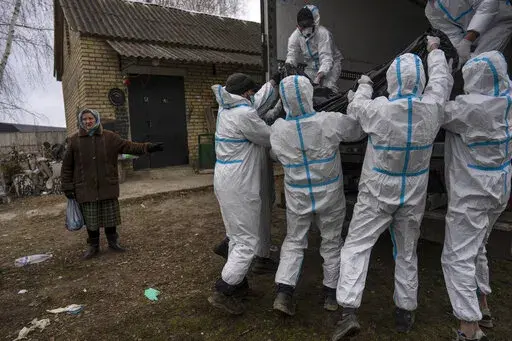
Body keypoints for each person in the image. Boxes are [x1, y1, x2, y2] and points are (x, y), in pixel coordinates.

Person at [332, 37, 454, 340]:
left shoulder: (379, 110)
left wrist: (363, 84)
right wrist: (435, 52)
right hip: (412, 192)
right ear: (421, 79)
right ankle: (405, 312)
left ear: (391, 79)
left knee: (357, 246)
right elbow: (441, 81)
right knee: (407, 251)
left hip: (377, 192)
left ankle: (348, 311)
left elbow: (355, 107)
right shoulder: (433, 108)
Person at [269, 75, 364, 316]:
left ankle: (284, 293)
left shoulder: (278, 130)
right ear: (309, 95)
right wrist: (354, 101)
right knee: (332, 241)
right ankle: (331, 295)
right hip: (329, 195)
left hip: (298, 197)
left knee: (294, 240)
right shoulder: (328, 122)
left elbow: (274, 155)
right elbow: (358, 131)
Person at [441, 51, 512, 341]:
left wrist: (441, 68)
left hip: (472, 192)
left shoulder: (469, 108)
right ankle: (484, 305)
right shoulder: (508, 99)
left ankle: (469, 328)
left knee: (457, 257)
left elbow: (434, 110)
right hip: (499, 188)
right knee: (478, 246)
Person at [208, 73, 273, 315]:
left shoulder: (226, 109)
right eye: (252, 92)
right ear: (246, 93)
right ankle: (223, 290)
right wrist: (280, 123)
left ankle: (238, 284)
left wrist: (271, 85)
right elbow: (267, 137)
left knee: (237, 234)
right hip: (240, 182)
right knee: (247, 242)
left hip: (225, 179)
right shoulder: (244, 114)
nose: (253, 96)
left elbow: (254, 107)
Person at [61, 109, 163, 259]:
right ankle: (93, 246)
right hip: (86, 187)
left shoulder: (109, 137)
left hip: (107, 185)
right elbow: (67, 166)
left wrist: (148, 147)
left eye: (90, 118)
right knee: (91, 219)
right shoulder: (74, 140)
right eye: (84, 119)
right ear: (81, 122)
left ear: (96, 119)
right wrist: (68, 186)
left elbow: (129, 146)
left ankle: (113, 242)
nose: (87, 122)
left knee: (110, 217)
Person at [425, 0, 512, 65]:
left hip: (500, 23)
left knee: (485, 62)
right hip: (476, 39)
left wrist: (467, 40)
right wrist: (457, 54)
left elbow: (488, 5)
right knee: (477, 64)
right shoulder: (431, 11)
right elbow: (452, 34)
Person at [285, 5, 343, 92]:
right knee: (306, 89)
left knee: (328, 89)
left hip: (331, 65)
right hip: (311, 67)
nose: (306, 29)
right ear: (298, 26)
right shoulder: (295, 36)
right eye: (303, 26)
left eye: (308, 25)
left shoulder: (323, 34)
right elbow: (292, 54)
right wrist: (289, 66)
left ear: (313, 23)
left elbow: (326, 58)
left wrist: (319, 77)